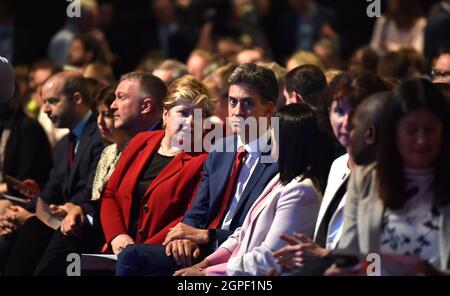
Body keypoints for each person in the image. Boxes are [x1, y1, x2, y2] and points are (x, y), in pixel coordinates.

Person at [115, 63, 279, 276]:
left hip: (240, 252)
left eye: (247, 103)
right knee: (133, 256)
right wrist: (185, 235)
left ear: (268, 109)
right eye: (232, 102)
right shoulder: (222, 148)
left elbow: (259, 231)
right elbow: (197, 209)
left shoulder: (278, 158)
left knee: (133, 256)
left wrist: (208, 236)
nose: (237, 112)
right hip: (201, 246)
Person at [174, 103, 323, 276]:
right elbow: (243, 233)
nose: (269, 136)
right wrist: (206, 263)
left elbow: (271, 258)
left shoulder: (301, 191)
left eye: (273, 130)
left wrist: (207, 273)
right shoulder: (281, 179)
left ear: (289, 141)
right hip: (234, 265)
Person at [272, 72, 389, 275]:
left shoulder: (390, 176)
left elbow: (388, 264)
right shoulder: (338, 165)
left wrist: (326, 257)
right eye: (340, 110)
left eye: (358, 111)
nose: (346, 121)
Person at [333, 79, 450, 275]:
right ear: (393, 132)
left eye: (430, 130)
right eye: (411, 131)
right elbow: (351, 254)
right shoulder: (365, 180)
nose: (421, 141)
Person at [2, 72, 105, 275]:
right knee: (7, 230)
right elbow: (52, 191)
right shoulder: (63, 144)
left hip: (83, 223)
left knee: (31, 231)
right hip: (58, 218)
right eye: (44, 102)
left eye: (52, 101)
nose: (45, 109)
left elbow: (91, 192)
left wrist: (33, 215)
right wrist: (19, 212)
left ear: (77, 99)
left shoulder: (100, 136)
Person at [100, 75, 214, 257]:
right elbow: (110, 194)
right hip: (114, 250)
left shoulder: (205, 160)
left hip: (156, 256)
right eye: (183, 113)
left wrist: (136, 252)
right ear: (166, 114)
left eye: (198, 116)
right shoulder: (141, 141)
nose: (191, 122)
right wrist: (117, 236)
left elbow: (187, 217)